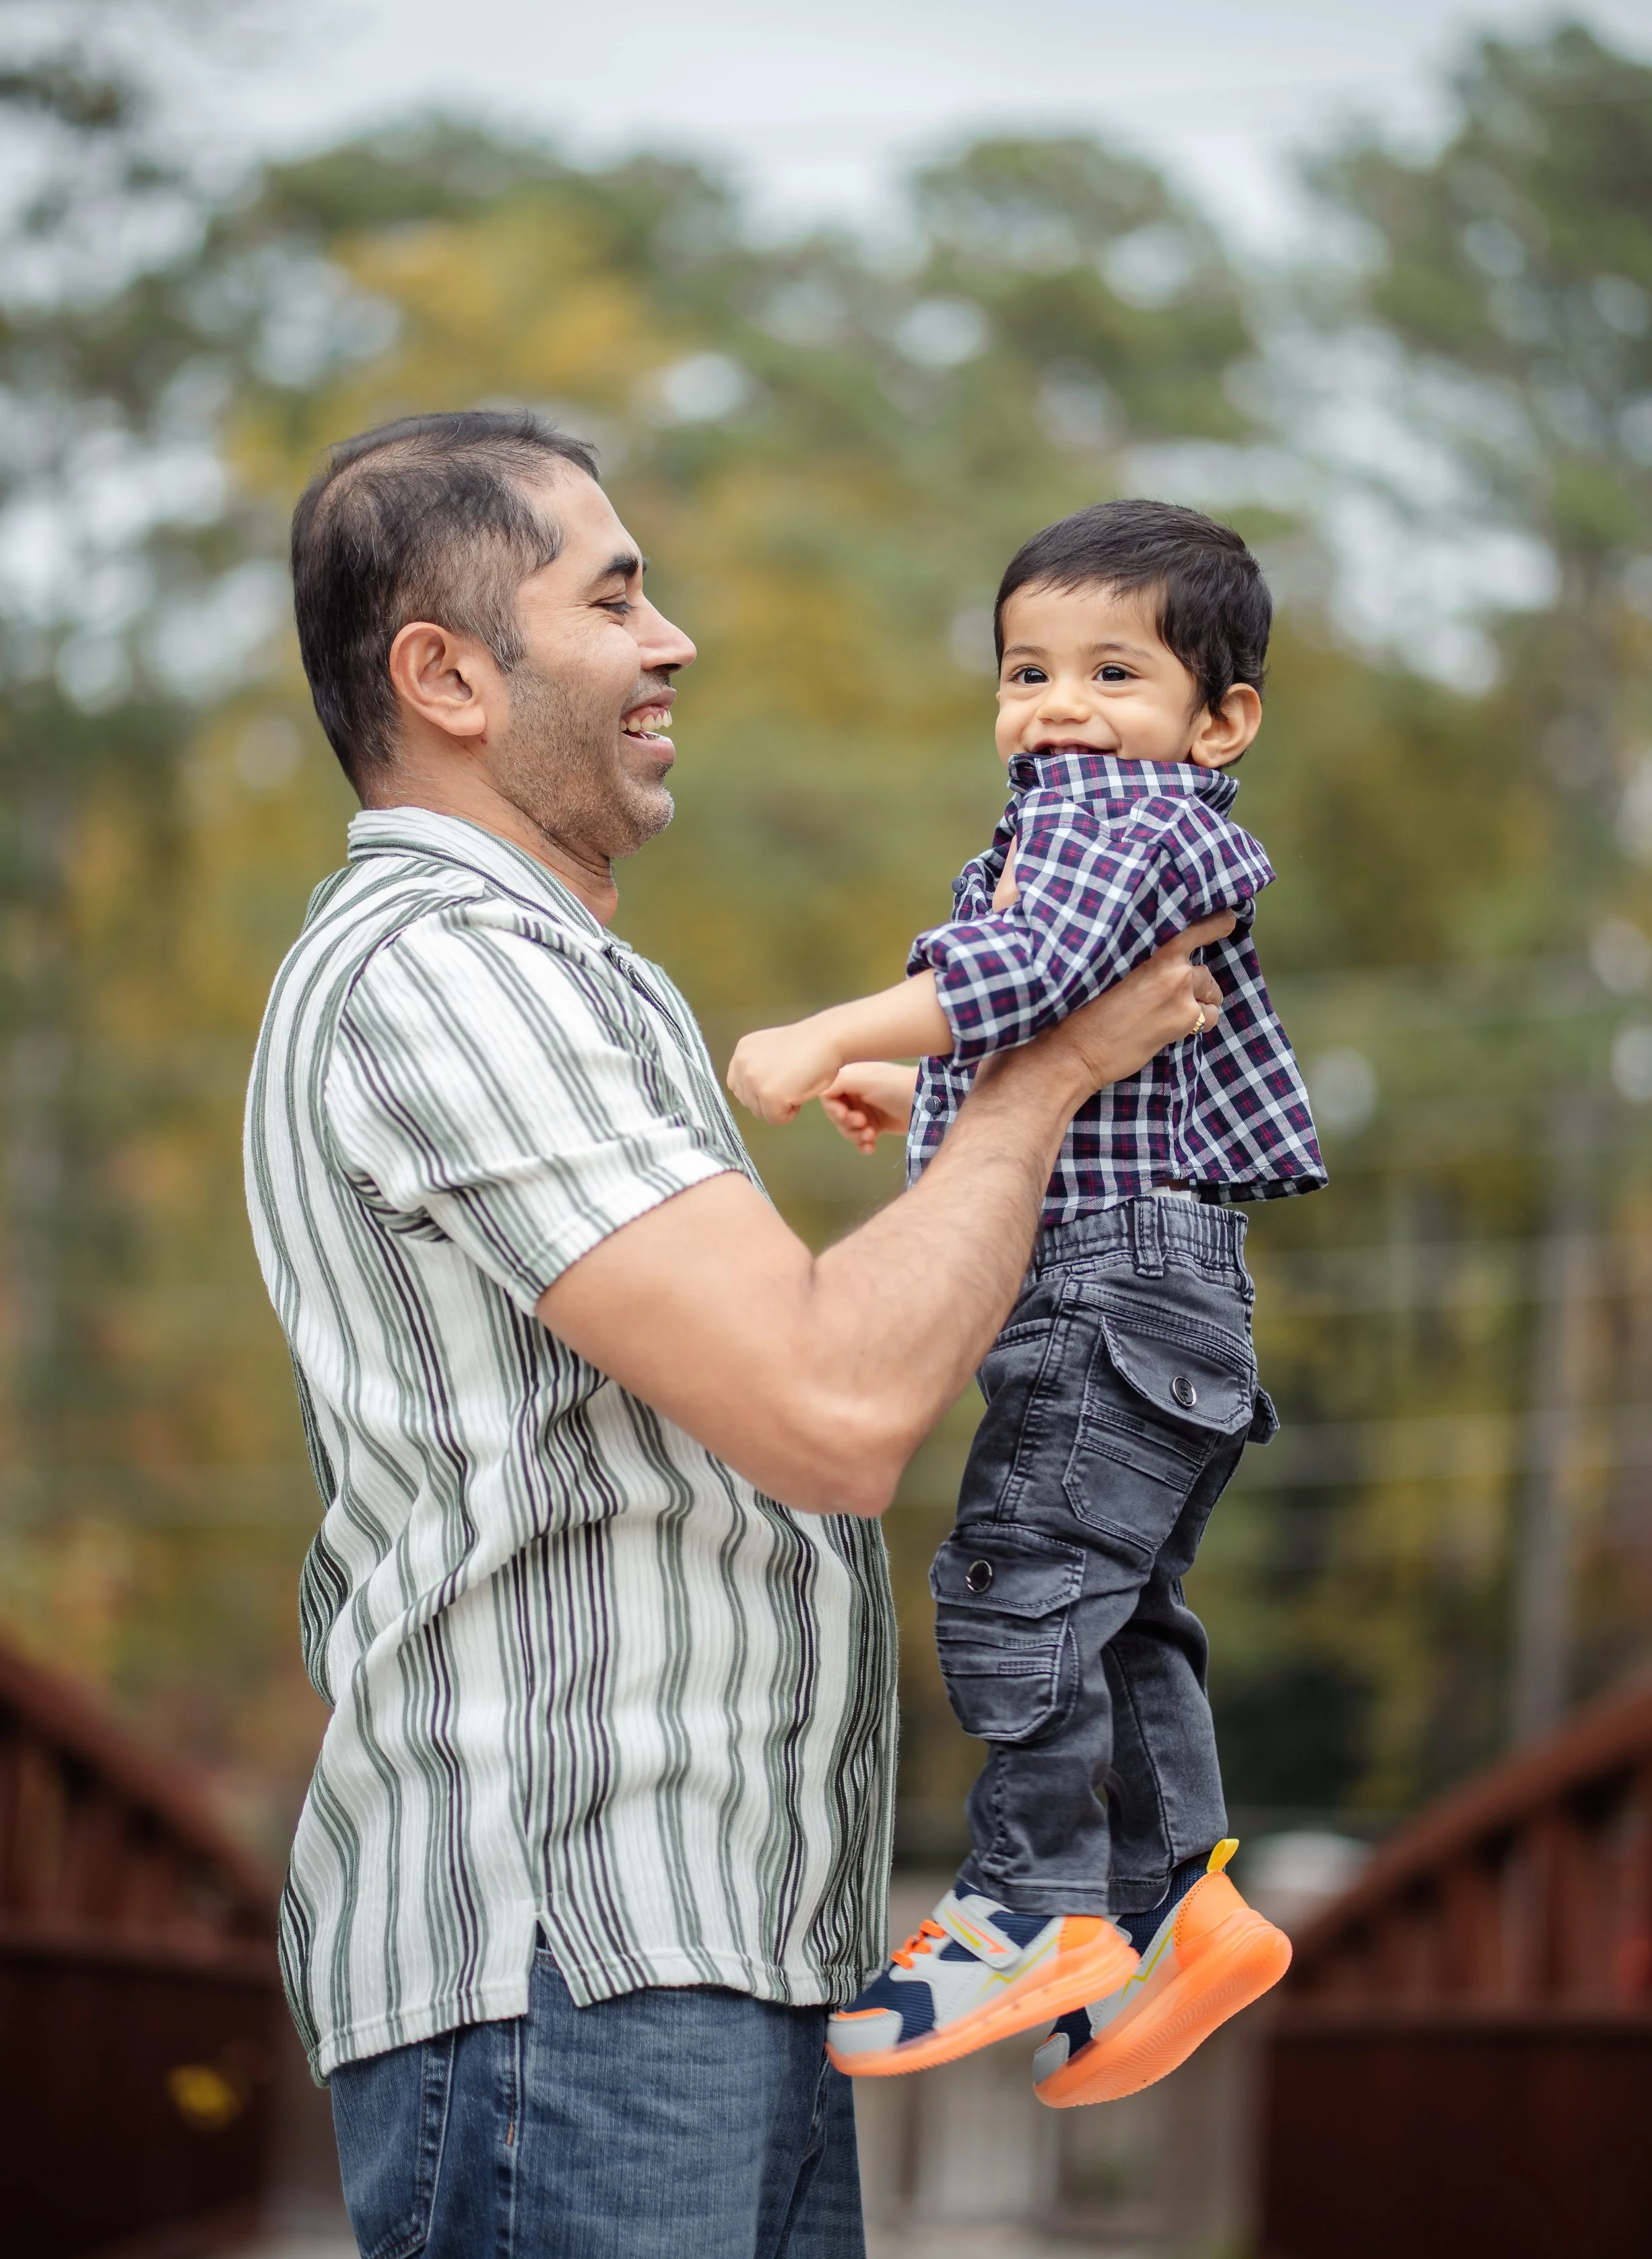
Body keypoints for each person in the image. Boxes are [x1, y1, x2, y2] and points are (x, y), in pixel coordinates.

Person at [244, 413, 1228, 2258]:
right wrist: (1042, 1075)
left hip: (711, 1956)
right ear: (448, 675)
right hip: (573, 1961)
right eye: (614, 596)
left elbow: (805, 1362)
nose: (671, 637)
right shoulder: (442, 970)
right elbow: (834, 1402)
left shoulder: (564, 978)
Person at [727, 499, 1326, 2110]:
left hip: (1105, 1283)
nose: (1057, 707)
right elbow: (1039, 1003)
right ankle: (1169, 1909)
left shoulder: (1111, 814)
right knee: (1117, 1614)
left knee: (1016, 1582)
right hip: (1169, 1295)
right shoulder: (1127, 816)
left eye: (1111, 670)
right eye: (1024, 669)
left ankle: (1031, 1907)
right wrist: (892, 1070)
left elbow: (1017, 974)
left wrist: (810, 1036)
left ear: (1222, 720)